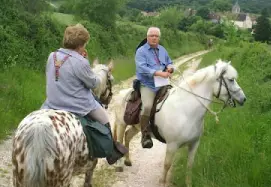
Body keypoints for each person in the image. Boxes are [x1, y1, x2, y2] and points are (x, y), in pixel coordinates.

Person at [41, 23, 127, 164]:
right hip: (77, 105)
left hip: (52, 103)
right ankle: (111, 152)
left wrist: (82, 60)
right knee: (105, 118)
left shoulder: (52, 56)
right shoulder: (80, 61)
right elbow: (94, 84)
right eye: (85, 44)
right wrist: (100, 70)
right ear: (81, 45)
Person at [135, 27, 174, 149]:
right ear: (147, 37)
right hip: (148, 85)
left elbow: (169, 62)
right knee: (147, 106)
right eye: (151, 35)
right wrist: (158, 73)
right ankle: (145, 135)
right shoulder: (141, 51)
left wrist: (170, 68)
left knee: (174, 100)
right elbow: (142, 68)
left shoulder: (162, 50)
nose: (154, 38)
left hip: (163, 83)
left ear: (159, 38)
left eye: (156, 36)